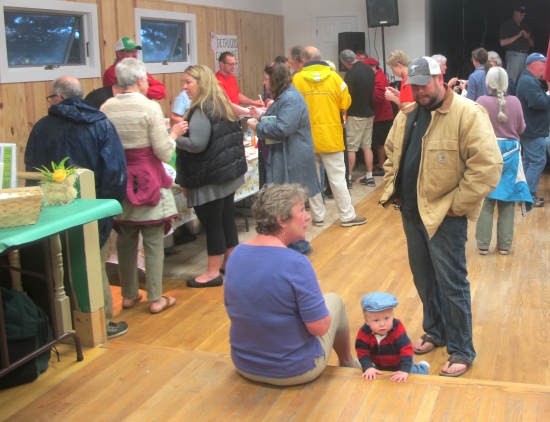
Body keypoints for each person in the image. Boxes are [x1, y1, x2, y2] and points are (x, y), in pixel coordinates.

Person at [379, 56, 503, 377]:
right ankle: (436, 330)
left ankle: (461, 349)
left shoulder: (467, 114)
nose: (419, 92)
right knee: (423, 278)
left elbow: (488, 166)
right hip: (411, 211)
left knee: (452, 283)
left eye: (423, 85)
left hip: (445, 216)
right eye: (414, 86)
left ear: (439, 78)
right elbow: (392, 153)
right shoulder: (408, 115)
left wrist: (456, 206)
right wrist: (393, 185)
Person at [224, 183, 358, 386]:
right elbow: (319, 327)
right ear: (281, 219)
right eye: (302, 210)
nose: (307, 217)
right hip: (293, 370)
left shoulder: (236, 255)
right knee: (335, 302)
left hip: (244, 364)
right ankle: (348, 363)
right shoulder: (295, 263)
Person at [25, 76, 128, 338]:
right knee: (92, 263)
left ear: (59, 98)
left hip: (52, 209)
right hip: (94, 206)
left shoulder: (41, 127)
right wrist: (107, 208)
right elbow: (115, 171)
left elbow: (32, 170)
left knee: (58, 263)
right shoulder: (101, 125)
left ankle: (62, 322)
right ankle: (100, 324)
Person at [101, 58, 186, 314]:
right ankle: (156, 298)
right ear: (139, 80)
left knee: (125, 239)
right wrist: (173, 135)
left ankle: (128, 295)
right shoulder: (150, 108)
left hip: (120, 180)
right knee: (152, 240)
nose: (149, 83)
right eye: (147, 79)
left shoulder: (106, 107)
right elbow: (162, 153)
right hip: (148, 177)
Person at [175, 65, 247, 287]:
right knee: (226, 219)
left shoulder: (202, 109)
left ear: (201, 82)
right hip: (226, 174)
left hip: (210, 177)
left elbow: (196, 144)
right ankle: (231, 264)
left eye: (189, 82)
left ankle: (212, 273)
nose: (184, 87)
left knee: (212, 223)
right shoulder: (221, 103)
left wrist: (174, 136)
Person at [247, 63, 320, 256]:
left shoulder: (290, 98)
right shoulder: (286, 97)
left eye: (265, 79)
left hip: (292, 158)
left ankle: (297, 245)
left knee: (289, 204)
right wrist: (261, 116)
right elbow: (280, 121)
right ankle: (292, 244)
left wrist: (257, 127)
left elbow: (282, 129)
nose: (264, 83)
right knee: (288, 204)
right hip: (287, 155)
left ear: (275, 79)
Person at [293, 46, 367, 228]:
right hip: (331, 137)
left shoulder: (296, 79)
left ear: (303, 60)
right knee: (338, 180)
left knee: (313, 181)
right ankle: (347, 216)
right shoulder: (335, 78)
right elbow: (346, 102)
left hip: (306, 139)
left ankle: (317, 217)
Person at [475, 67, 532, 255]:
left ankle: (483, 244)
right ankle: (505, 246)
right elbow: (522, 128)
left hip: (487, 151)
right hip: (511, 153)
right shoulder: (515, 101)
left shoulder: (481, 101)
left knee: (486, 199)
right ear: (506, 83)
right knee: (507, 200)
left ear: (488, 84)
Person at [356, 292, 430, 382]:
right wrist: (368, 367)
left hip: (401, 363)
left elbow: (406, 349)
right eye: (376, 320)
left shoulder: (397, 329)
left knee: (412, 373)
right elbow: (362, 352)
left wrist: (404, 370)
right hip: (380, 365)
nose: (382, 324)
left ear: (392, 316)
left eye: (386, 318)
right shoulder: (364, 333)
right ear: (367, 321)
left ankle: (423, 367)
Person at [516, 53, 550, 207]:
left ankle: (523, 195)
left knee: (529, 162)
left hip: (530, 128)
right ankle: (528, 196)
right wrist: (549, 92)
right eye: (545, 64)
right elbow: (539, 103)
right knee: (538, 160)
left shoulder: (527, 80)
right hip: (533, 130)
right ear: (535, 64)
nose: (546, 68)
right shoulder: (529, 82)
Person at [339, 49, 376, 187]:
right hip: (369, 112)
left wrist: (343, 116)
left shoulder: (351, 73)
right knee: (367, 146)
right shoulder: (369, 70)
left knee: (352, 148)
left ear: (346, 62)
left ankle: (348, 179)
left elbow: (346, 97)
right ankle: (369, 177)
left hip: (355, 114)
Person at [364, 57, 394, 177]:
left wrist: (365, 98)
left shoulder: (379, 78)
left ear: (374, 67)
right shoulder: (378, 76)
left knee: (380, 143)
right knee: (379, 142)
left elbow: (378, 97)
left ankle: (382, 167)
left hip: (382, 115)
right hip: (382, 114)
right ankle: (381, 165)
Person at [215, 52, 264, 116]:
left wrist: (253, 102)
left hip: (236, 116)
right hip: (226, 118)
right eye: (231, 64)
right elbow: (227, 104)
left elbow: (236, 95)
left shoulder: (231, 76)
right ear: (221, 64)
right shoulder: (217, 81)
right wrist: (249, 111)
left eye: (235, 64)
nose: (234, 66)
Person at [500, 5, 533, 84]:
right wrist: (518, 35)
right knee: (510, 81)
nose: (522, 17)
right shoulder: (507, 25)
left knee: (524, 81)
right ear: (515, 13)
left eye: (523, 15)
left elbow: (532, 44)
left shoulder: (525, 26)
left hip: (525, 56)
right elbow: (502, 43)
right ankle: (508, 96)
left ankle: (520, 96)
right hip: (513, 55)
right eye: (520, 15)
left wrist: (528, 37)